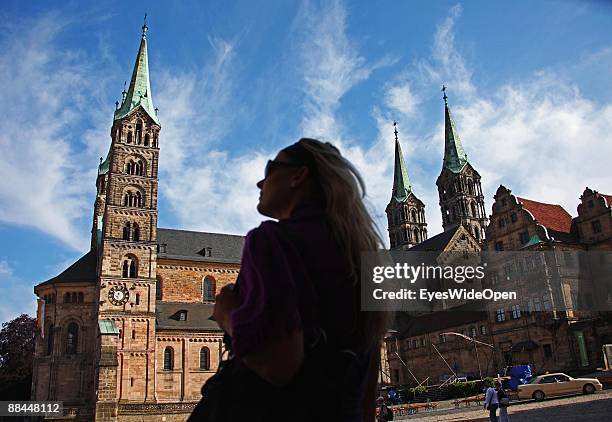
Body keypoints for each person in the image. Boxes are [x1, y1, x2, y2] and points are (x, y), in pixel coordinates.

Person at [197, 138, 391, 421]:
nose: (260, 184)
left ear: (298, 176)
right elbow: (366, 393)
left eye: (269, 169)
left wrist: (227, 311)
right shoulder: (362, 261)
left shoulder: (270, 240)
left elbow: (277, 361)